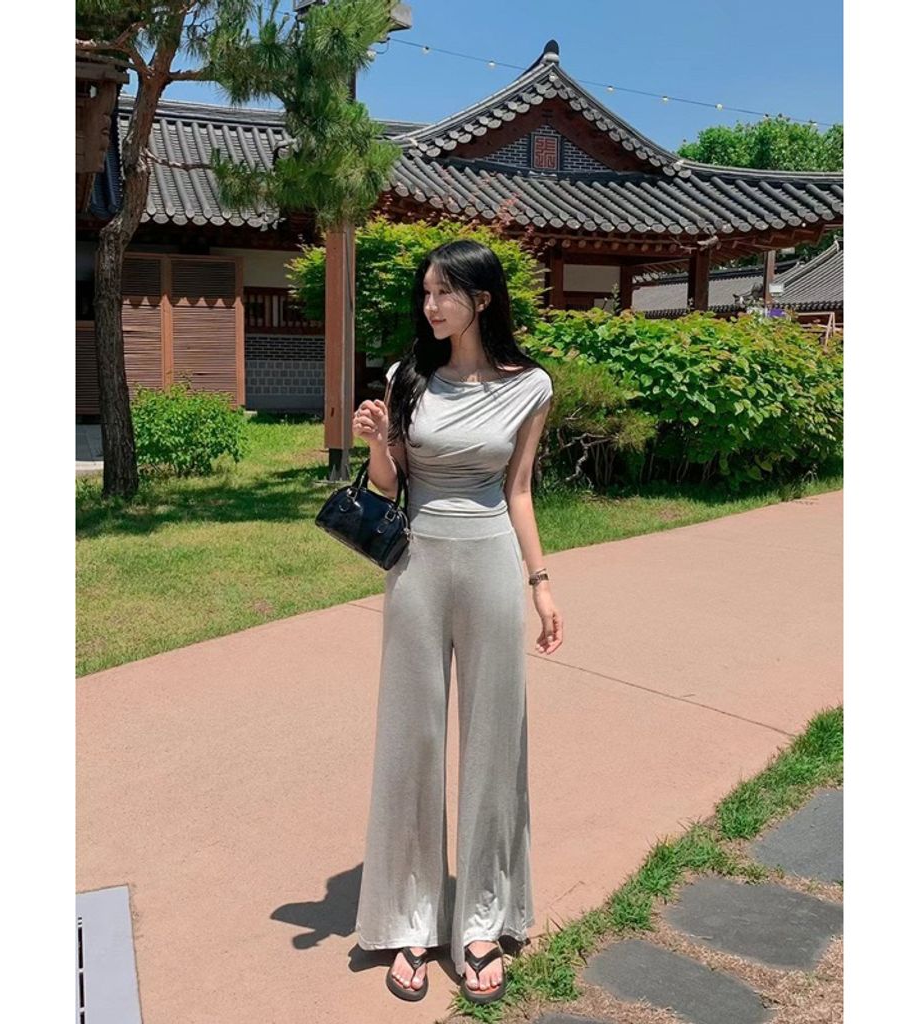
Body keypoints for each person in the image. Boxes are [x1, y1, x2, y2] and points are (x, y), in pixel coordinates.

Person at [351, 238, 563, 1005]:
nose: (430, 305)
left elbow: (519, 490)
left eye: (444, 292)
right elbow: (389, 484)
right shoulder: (409, 376)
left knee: (494, 739)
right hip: (416, 566)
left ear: (482, 299)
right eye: (426, 292)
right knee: (412, 739)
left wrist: (541, 584)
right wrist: (378, 441)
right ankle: (410, 918)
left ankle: (481, 918)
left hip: (493, 565)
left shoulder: (530, 386)